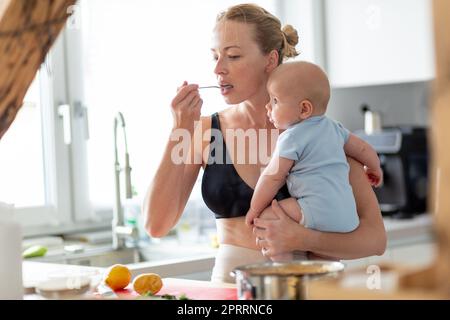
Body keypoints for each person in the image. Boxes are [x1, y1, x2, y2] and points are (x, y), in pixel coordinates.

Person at [143, 3, 386, 284]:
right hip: (232, 289)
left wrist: (304, 238)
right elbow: (156, 225)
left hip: (313, 287)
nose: (218, 69)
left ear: (270, 60)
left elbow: (374, 239)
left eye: (232, 56)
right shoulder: (206, 131)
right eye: (215, 57)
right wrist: (179, 129)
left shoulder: (321, 133)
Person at [245, 61, 383, 261]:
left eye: (275, 101)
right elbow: (363, 148)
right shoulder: (335, 128)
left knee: (267, 219)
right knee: (325, 262)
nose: (268, 106)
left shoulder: (291, 137)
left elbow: (272, 177)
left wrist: (255, 209)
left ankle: (285, 268)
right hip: (346, 217)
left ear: (304, 109)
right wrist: (374, 167)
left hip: (315, 209)